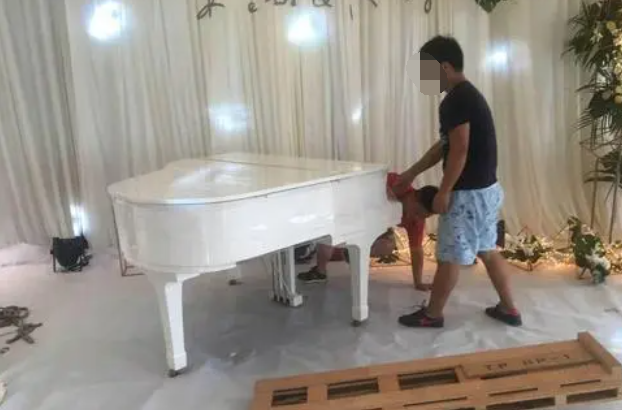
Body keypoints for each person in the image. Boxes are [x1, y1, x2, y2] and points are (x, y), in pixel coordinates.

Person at [395, 36, 522, 328]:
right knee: (487, 249)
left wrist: (444, 191)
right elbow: (445, 146)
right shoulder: (468, 96)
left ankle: (432, 315)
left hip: (467, 194)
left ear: (445, 67)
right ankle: (509, 309)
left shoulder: (456, 100)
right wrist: (412, 172)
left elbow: (460, 149)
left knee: (449, 256)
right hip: (487, 190)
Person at [297, 185, 439, 292]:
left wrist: (418, 282)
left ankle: (347, 252)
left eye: (422, 217)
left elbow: (416, 249)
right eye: (417, 212)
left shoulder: (417, 221)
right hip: (354, 209)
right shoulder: (396, 184)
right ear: (413, 196)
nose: (417, 218)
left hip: (376, 225)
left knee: (387, 245)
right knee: (330, 228)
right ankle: (320, 270)